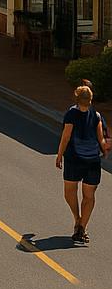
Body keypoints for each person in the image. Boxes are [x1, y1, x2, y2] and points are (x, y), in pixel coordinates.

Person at [57, 85, 107, 245]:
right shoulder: (97, 115)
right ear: (91, 100)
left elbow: (66, 136)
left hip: (74, 159)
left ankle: (78, 220)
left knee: (69, 192)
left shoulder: (71, 114)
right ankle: (82, 228)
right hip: (92, 161)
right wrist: (105, 150)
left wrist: (59, 155)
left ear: (76, 98)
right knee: (89, 196)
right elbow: (101, 139)